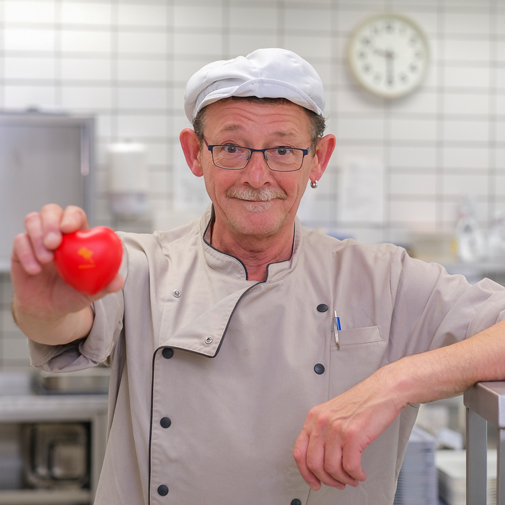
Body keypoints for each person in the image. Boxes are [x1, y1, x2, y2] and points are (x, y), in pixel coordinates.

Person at [10, 48, 505, 505]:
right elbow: (60, 324)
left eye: (283, 150)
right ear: (194, 153)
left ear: (319, 158)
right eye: (232, 147)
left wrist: (396, 382)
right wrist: (43, 302)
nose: (256, 176)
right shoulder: (141, 264)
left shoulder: (382, 278)